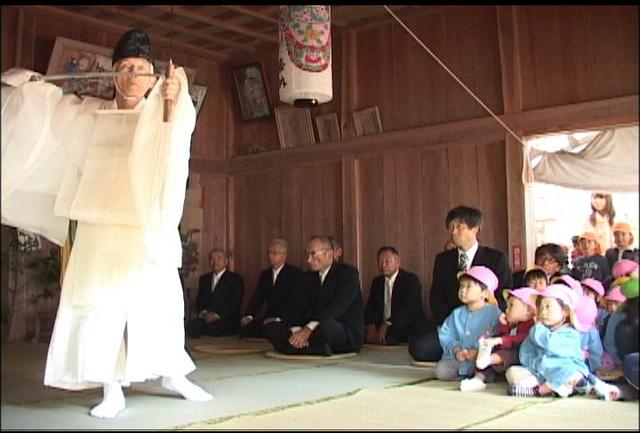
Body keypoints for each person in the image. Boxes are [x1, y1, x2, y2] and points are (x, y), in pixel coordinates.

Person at [1, 29, 212, 418]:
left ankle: (171, 372)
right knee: (101, 303)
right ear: (115, 75)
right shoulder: (88, 114)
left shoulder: (163, 113)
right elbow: (49, 114)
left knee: (159, 301)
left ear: (153, 77)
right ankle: (110, 385)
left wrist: (175, 96)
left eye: (142, 69)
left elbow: (178, 131)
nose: (133, 76)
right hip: (100, 222)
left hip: (145, 224)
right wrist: (29, 88)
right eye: (126, 68)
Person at [409, 206, 512, 362]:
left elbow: (504, 295)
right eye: (451, 227)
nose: (453, 232)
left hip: (485, 328)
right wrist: (449, 325)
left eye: (459, 227)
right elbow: (436, 296)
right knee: (419, 347)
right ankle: (459, 353)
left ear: (475, 229)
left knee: (499, 347)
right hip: (453, 327)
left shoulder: (496, 258)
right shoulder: (443, 259)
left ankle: (470, 356)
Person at [505, 285, 619, 400]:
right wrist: (535, 364)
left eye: (548, 307)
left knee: (571, 374)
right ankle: (560, 389)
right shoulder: (537, 332)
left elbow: (549, 343)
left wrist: (537, 328)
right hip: (540, 373)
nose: (543, 312)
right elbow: (524, 352)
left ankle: (539, 391)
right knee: (511, 373)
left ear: (565, 312)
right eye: (541, 308)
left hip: (563, 372)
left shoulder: (570, 334)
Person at [264, 235, 364, 355]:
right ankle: (312, 348)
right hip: (311, 330)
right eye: (308, 255)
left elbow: (336, 309)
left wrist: (308, 329)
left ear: (329, 254)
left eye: (313, 254)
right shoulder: (307, 277)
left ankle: (297, 348)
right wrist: (297, 330)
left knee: (327, 326)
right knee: (272, 328)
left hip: (341, 328)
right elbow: (297, 307)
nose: (309, 260)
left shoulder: (348, 274)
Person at [460, 287, 537, 392]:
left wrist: (500, 340)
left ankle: (488, 360)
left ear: (528, 310)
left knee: (505, 354)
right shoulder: (510, 324)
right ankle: (478, 379)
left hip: (520, 357)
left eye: (512, 305)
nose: (506, 309)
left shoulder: (531, 326)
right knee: (491, 353)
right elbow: (500, 334)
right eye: (507, 306)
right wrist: (503, 326)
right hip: (503, 358)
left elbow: (521, 339)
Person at [434, 266, 502, 382]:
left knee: (488, 370)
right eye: (461, 286)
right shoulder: (456, 313)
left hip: (480, 358)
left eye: (468, 286)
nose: (463, 290)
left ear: (484, 293)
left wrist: (478, 351)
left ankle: (478, 374)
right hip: (458, 358)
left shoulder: (494, 313)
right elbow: (446, 333)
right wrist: (456, 350)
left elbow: (497, 335)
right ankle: (468, 374)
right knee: (441, 371)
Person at [364, 246, 429, 346]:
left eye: (387, 261)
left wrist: (388, 323)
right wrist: (370, 326)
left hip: (404, 323)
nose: (383, 265)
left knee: (395, 331)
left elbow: (408, 309)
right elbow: (370, 307)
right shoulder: (377, 282)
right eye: (380, 261)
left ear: (397, 262)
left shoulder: (410, 280)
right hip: (382, 325)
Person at [239, 239, 302, 338]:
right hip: (269, 317)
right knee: (245, 328)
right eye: (269, 252)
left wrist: (278, 318)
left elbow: (294, 301)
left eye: (274, 252)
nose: (270, 256)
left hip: (286, 318)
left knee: (272, 330)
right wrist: (249, 316)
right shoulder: (265, 274)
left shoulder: (295, 274)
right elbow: (257, 297)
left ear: (284, 255)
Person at [187, 248, 244, 338]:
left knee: (214, 328)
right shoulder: (204, 279)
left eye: (219, 258)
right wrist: (204, 313)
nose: (215, 261)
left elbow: (235, 302)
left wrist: (217, 315)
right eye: (212, 259)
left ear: (226, 261)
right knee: (191, 326)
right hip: (206, 317)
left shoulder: (235, 278)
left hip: (225, 317)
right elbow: (200, 300)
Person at [574, 295, 604, 372]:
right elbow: (597, 352)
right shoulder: (592, 331)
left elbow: (596, 352)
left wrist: (596, 368)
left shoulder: (592, 332)